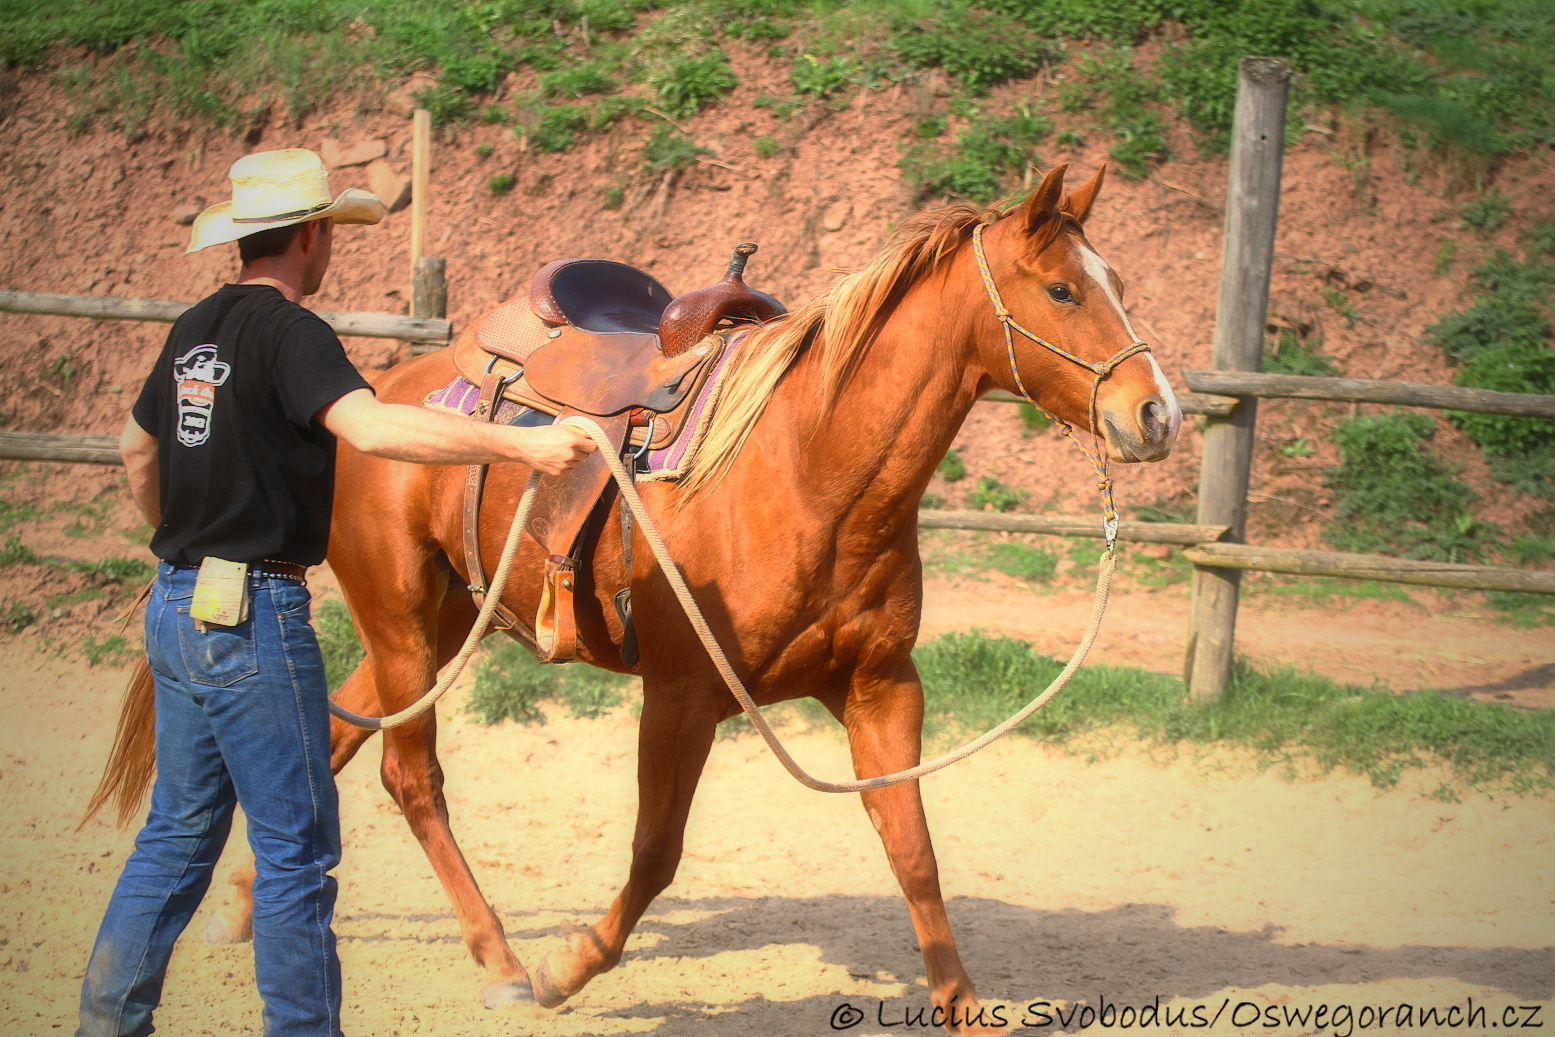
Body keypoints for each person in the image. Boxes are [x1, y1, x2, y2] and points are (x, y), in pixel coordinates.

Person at [77, 148, 595, 1037]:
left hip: (178, 600)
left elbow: (136, 449)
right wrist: (522, 448)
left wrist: (182, 544)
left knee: (174, 838)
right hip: (253, 614)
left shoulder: (192, 327)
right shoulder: (292, 333)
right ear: (314, 235)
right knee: (295, 854)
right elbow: (373, 425)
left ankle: (105, 1023)